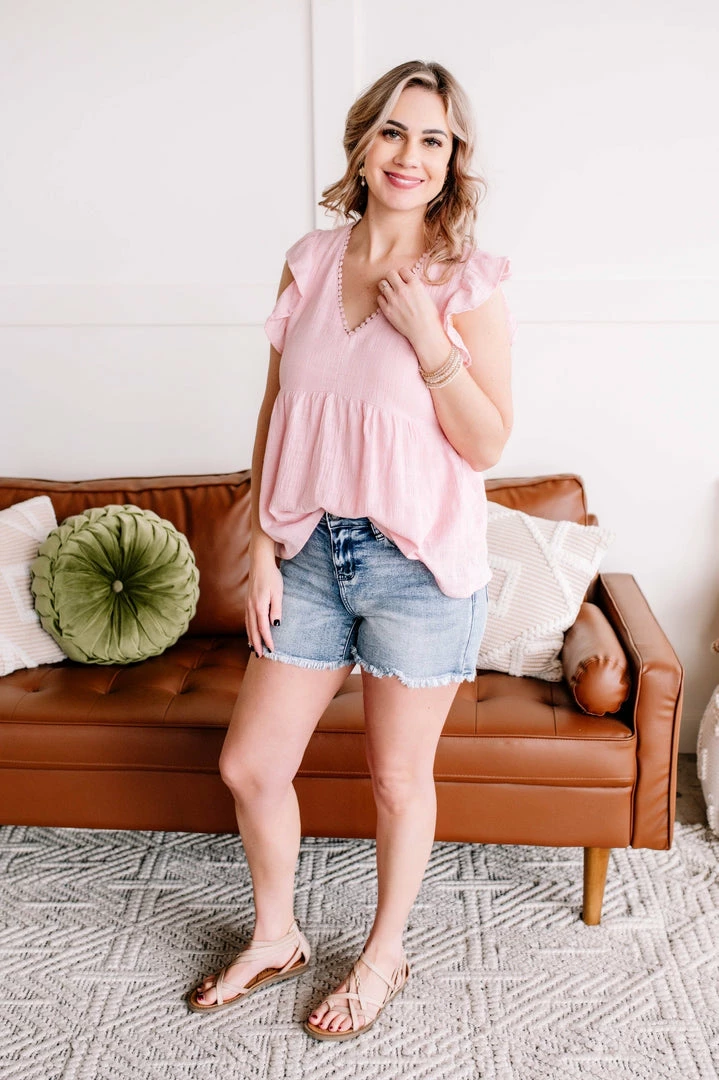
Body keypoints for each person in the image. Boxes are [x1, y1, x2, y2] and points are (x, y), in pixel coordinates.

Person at [186, 59, 514, 1040]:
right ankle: (277, 934)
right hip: (309, 556)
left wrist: (428, 339)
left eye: (432, 139)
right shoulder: (309, 260)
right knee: (250, 764)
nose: (410, 155)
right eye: (393, 132)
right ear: (362, 144)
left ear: (453, 160)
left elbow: (487, 444)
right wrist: (263, 546)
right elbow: (275, 412)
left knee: (396, 781)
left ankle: (382, 956)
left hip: (418, 568)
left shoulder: (464, 281)